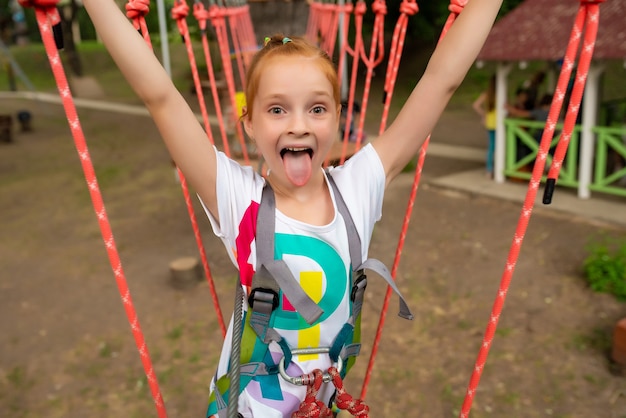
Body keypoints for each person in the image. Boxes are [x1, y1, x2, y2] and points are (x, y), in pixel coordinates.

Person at [82, 0, 503, 416]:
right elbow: (160, 97)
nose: (298, 124)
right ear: (248, 122)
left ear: (339, 117)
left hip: (322, 405)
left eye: (317, 108)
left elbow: (441, 81)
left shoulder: (358, 188)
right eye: (277, 109)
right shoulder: (236, 198)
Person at [472, 75, 497, 177]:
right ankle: (495, 167)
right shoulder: (499, 94)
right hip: (498, 123)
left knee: (491, 147)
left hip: (489, 122)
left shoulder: (487, 94)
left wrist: (484, 114)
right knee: (496, 146)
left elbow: (476, 105)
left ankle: (489, 169)